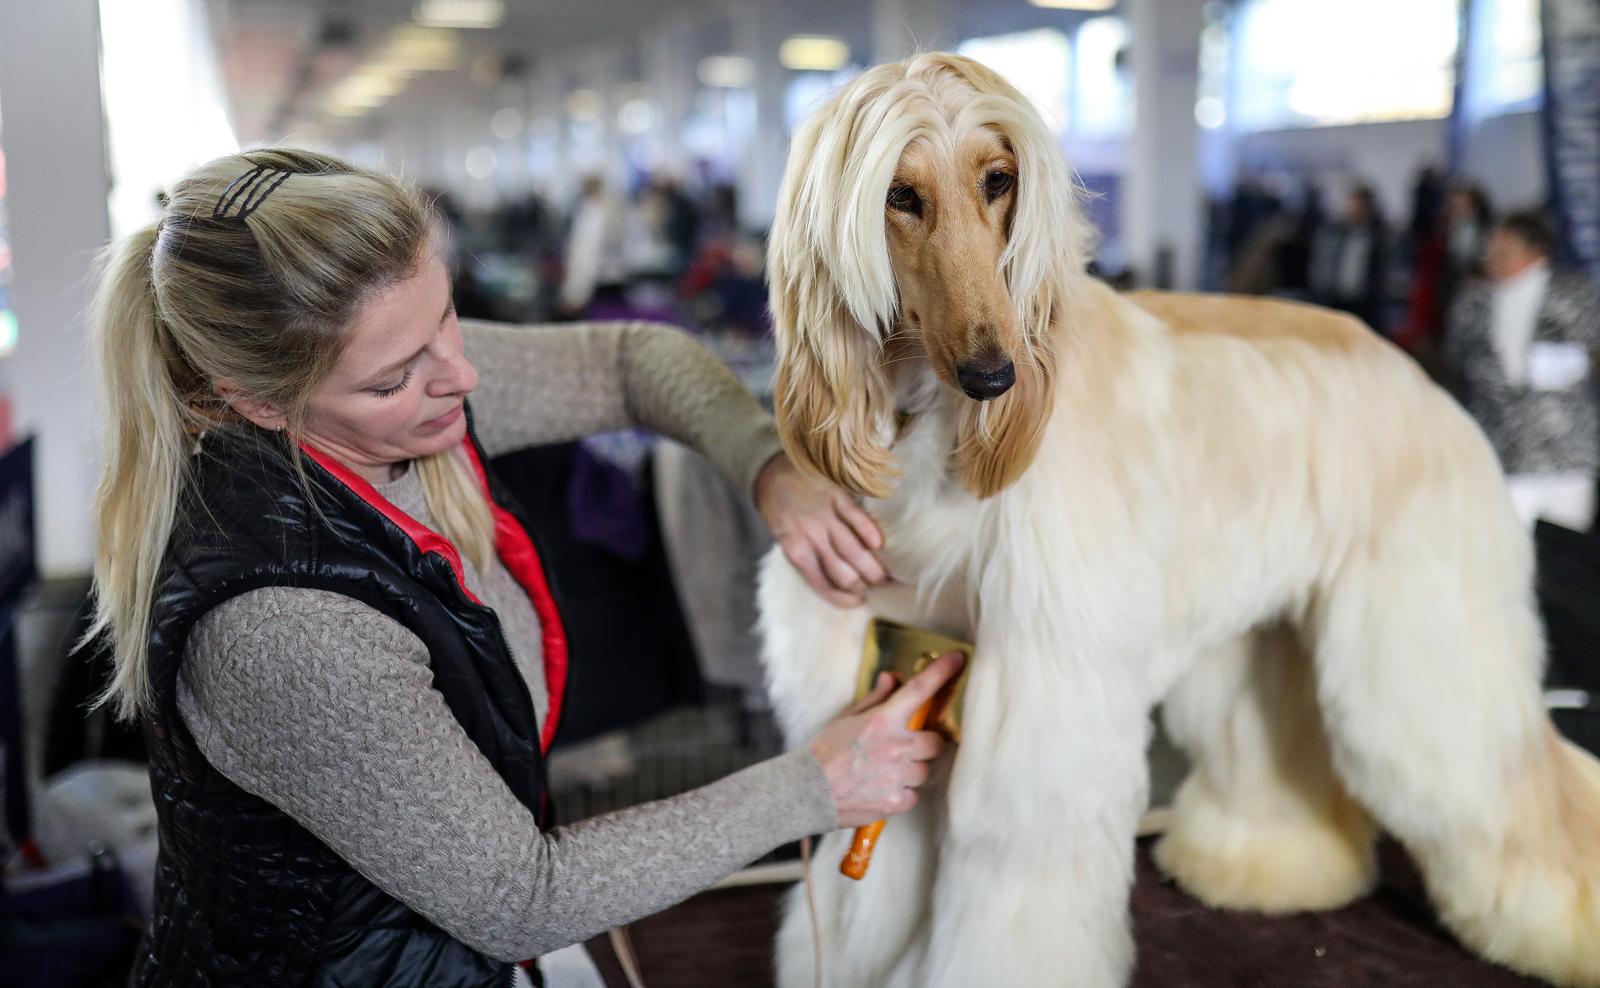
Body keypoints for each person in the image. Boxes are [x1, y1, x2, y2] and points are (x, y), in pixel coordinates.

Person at [88, 149, 961, 987]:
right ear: (254, 401)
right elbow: (518, 898)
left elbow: (630, 361)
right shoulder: (287, 629)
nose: (463, 374)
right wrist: (815, 786)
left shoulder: (405, 378)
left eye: (447, 317)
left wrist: (765, 466)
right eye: (394, 378)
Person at [1444, 210, 1600, 531]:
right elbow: (1454, 359)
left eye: (1505, 246)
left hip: (1566, 453)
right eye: (1491, 245)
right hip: (1502, 452)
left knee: (1567, 558)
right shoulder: (1472, 301)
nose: (1493, 253)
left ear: (1535, 250)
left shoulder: (1576, 294)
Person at [1309, 183, 1392, 331]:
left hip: (1363, 303)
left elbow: (1382, 270)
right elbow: (1324, 261)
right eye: (1353, 204)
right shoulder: (1336, 231)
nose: (1354, 209)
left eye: (1359, 205)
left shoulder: (1377, 235)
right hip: (1335, 298)